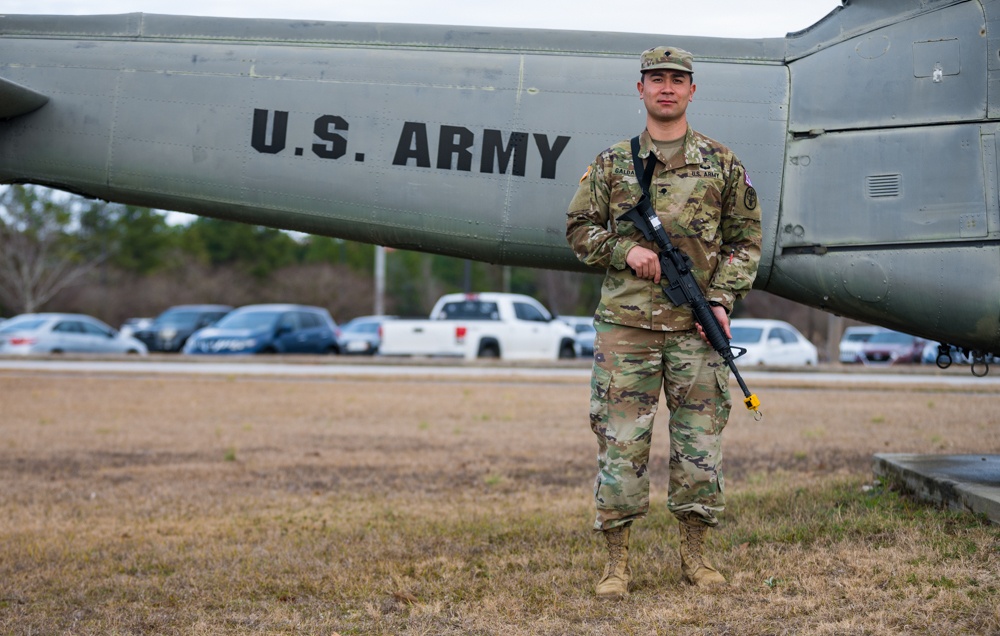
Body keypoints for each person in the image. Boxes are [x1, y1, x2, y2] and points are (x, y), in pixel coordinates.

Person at [565, 46, 761, 598]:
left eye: (678, 80)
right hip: (626, 328)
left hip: (698, 331)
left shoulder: (722, 163)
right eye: (657, 79)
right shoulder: (612, 163)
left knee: (699, 445)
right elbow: (578, 229)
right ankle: (616, 566)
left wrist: (720, 300)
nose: (667, 88)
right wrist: (625, 251)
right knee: (621, 444)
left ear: (692, 91)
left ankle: (696, 558)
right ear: (641, 88)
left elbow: (747, 243)